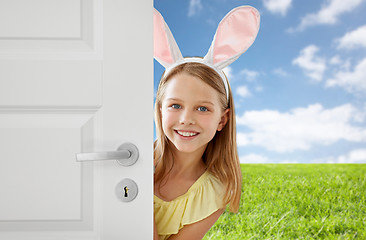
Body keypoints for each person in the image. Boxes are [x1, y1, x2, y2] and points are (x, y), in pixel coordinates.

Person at [153, 6, 260, 240]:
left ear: (222, 119)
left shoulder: (214, 194)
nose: (186, 119)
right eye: (175, 105)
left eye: (202, 108)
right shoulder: (135, 157)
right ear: (160, 110)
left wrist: (138, 204)